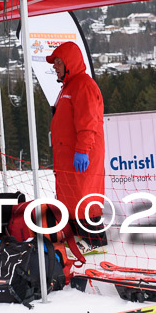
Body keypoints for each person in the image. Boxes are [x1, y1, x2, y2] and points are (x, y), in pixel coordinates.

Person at [46, 41, 107, 254]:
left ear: (70, 62)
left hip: (82, 155)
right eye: (54, 63)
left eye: (59, 62)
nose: (55, 66)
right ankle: (77, 240)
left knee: (84, 196)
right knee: (71, 198)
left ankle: (95, 241)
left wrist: (83, 150)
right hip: (66, 157)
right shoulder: (67, 88)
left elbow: (88, 122)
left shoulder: (84, 85)